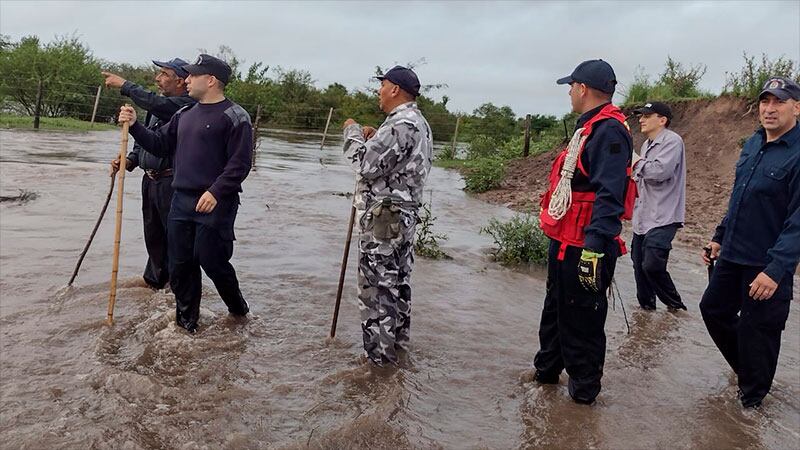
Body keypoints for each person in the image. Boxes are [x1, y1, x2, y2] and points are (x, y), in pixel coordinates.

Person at [117, 54, 253, 333]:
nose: (187, 80)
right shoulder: (183, 115)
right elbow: (159, 144)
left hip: (216, 203)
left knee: (212, 261)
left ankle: (238, 311)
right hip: (181, 200)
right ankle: (186, 325)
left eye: (193, 75)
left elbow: (240, 164)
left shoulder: (235, 116)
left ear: (211, 80)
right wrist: (135, 126)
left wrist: (215, 192)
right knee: (180, 265)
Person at [532, 59, 634, 404]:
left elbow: (611, 193)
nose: (570, 93)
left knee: (582, 321)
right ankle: (545, 377)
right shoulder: (587, 127)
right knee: (555, 310)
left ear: (582, 89)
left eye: (571, 87)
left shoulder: (609, 132)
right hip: (565, 240)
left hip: (585, 245)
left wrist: (593, 249)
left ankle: (583, 398)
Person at [699, 76, 800, 408]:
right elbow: (739, 198)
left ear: (796, 108)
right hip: (734, 252)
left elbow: (797, 222)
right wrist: (719, 237)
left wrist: (776, 270)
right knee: (713, 309)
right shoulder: (754, 143)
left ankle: (752, 407)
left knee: (760, 332)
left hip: (767, 263)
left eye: (779, 102)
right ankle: (750, 373)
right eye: (765, 102)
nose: (769, 109)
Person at [341, 66, 433, 366]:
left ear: (394, 89)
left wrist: (352, 131)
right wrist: (373, 136)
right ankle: (396, 354)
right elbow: (387, 159)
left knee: (377, 289)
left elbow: (364, 164)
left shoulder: (401, 124)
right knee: (397, 284)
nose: (378, 91)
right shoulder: (416, 123)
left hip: (384, 218)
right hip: (401, 217)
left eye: (382, 85)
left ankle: (379, 364)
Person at [103, 59, 195, 290]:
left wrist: (125, 84)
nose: (157, 79)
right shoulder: (157, 109)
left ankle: (179, 290)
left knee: (175, 239)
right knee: (153, 237)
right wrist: (130, 161)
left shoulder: (185, 106)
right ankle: (155, 285)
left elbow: (155, 109)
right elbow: (143, 142)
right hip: (151, 180)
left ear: (181, 81)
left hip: (173, 182)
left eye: (164, 74)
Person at [630, 101, 687, 311]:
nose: (641, 119)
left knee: (652, 265)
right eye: (640, 116)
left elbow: (659, 173)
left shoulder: (673, 141)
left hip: (665, 215)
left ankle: (675, 306)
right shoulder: (646, 145)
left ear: (662, 120)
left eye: (647, 115)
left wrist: (635, 162)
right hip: (643, 216)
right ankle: (646, 312)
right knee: (638, 265)